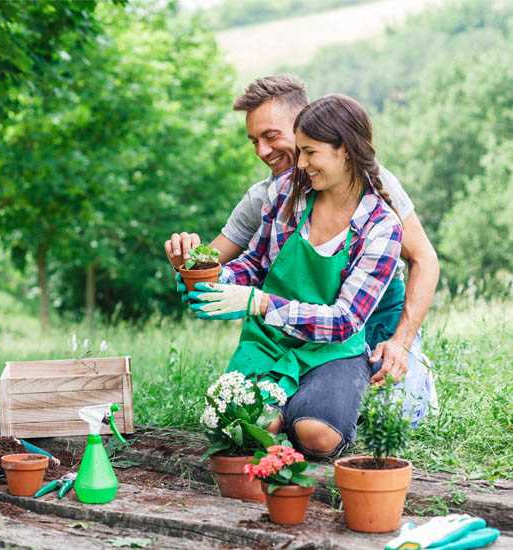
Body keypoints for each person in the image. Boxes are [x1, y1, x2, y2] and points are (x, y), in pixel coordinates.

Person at [165, 75, 438, 425]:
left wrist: (400, 342)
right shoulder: (271, 195)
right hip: (299, 325)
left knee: (391, 416)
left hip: (375, 321)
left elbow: (425, 260)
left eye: (272, 136)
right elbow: (216, 260)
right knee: (252, 419)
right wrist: (190, 264)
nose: (262, 151)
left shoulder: (374, 187)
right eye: (253, 141)